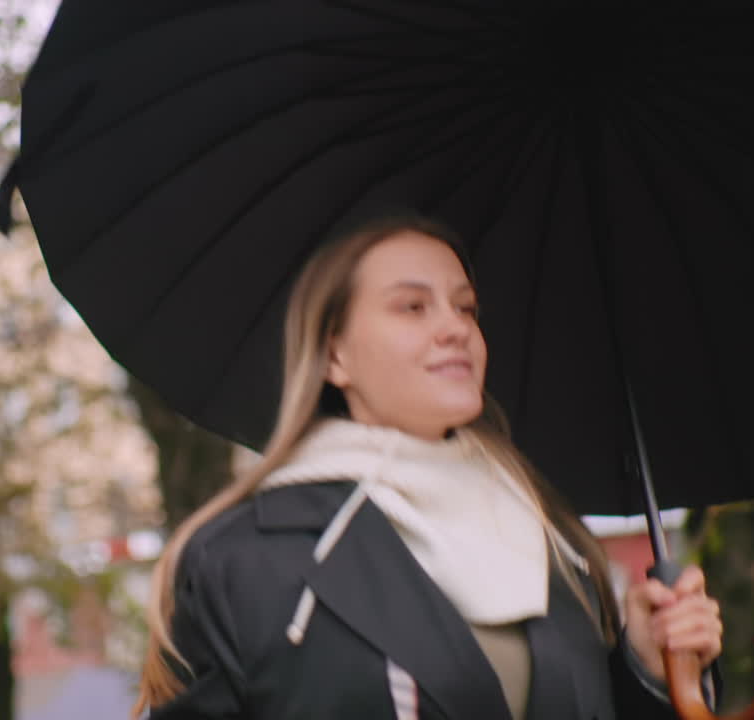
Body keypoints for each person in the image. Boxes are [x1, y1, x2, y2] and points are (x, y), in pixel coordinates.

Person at [134, 214, 722, 719]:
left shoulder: (550, 535)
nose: (455, 328)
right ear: (335, 354)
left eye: (466, 307)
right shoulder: (242, 559)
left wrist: (647, 670)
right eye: (412, 307)